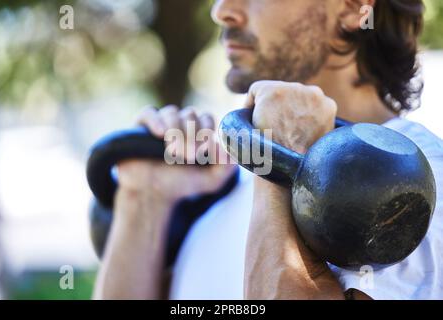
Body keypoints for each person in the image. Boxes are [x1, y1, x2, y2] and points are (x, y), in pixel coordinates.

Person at [94, 0, 443, 300]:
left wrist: (275, 150)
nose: (222, 11)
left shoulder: (420, 185)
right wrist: (145, 198)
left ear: (353, 7)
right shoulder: (226, 191)